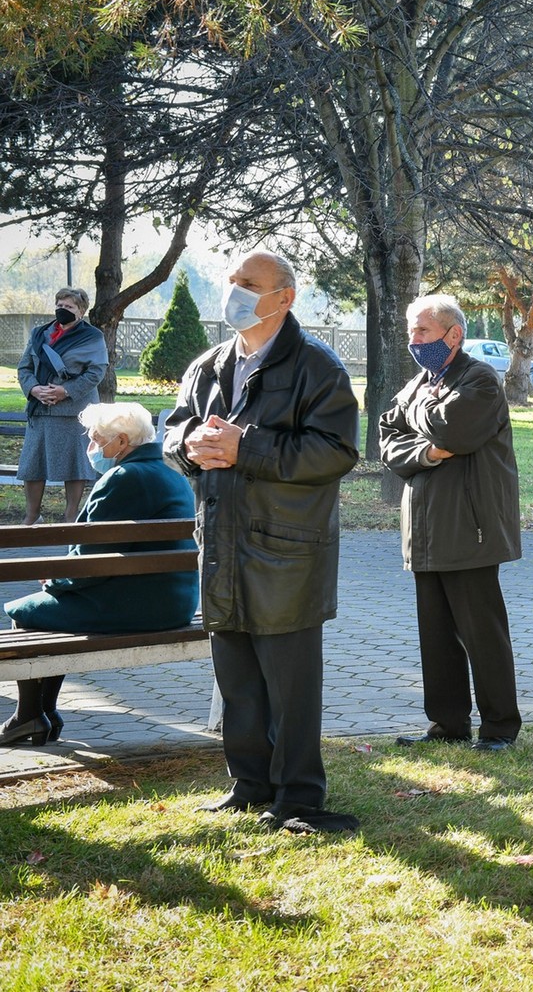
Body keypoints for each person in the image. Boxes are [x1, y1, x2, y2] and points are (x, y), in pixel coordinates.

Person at [164, 250, 361, 833]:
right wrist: (188, 446)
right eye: (232, 281)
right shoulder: (209, 365)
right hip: (222, 544)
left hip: (288, 552)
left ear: (285, 297)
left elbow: (335, 453)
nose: (236, 292)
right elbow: (173, 426)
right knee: (238, 680)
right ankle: (248, 786)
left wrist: (245, 448)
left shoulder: (318, 368)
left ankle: (298, 796)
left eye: (250, 283)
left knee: (290, 687)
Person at [1, 403, 198, 747]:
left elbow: (91, 560)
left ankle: (30, 715)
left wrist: (56, 582)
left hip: (140, 604)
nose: (91, 448)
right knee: (47, 608)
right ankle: (43, 713)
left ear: (121, 441)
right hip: (173, 599)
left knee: (26, 613)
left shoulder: (125, 478)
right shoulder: (169, 470)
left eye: (96, 440)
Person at [380, 294, 523, 753]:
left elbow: (453, 431)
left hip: (471, 528)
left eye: (422, 331)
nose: (413, 340)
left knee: (483, 635)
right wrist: (423, 450)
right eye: (411, 332)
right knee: (436, 635)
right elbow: (387, 437)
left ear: (452, 335)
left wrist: (419, 418)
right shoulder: (422, 382)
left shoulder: (480, 380)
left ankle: (500, 727)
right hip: (424, 531)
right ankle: (448, 724)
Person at [17, 288, 108, 525]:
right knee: (32, 465)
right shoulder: (39, 334)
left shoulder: (93, 336)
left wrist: (65, 391)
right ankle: (32, 515)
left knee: (75, 466)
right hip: (41, 410)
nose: (61, 309)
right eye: (59, 304)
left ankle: (70, 517)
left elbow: (96, 372)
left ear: (80, 311)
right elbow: (24, 368)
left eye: (68, 306)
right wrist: (34, 389)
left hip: (73, 411)